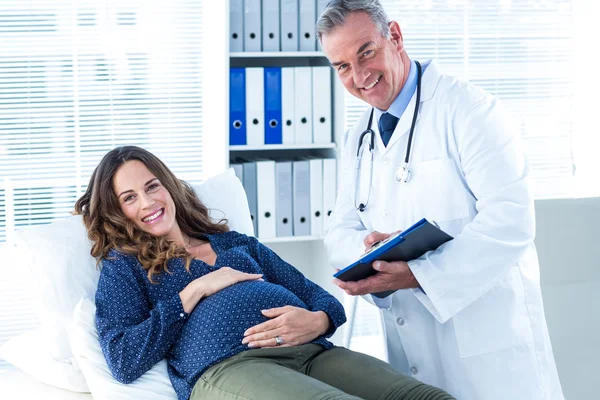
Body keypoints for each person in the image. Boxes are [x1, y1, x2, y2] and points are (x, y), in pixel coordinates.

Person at [317, 1, 564, 400]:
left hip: (488, 351)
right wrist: (369, 253)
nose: (360, 75)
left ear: (394, 36)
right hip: (411, 351)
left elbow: (510, 221)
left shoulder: (470, 111)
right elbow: (339, 232)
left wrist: (417, 274)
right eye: (342, 66)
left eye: (366, 51)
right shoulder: (358, 136)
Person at [73, 146, 454, 400]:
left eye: (152, 186)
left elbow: (321, 298)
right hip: (228, 367)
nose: (148, 202)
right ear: (117, 211)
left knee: (423, 397)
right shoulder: (125, 267)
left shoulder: (235, 244)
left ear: (168, 186)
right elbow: (123, 359)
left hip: (313, 352)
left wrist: (317, 321)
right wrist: (197, 290)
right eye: (130, 197)